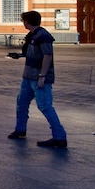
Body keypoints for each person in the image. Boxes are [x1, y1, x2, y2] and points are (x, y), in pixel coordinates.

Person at [7, 11, 67, 148]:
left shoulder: (43, 36)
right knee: (21, 103)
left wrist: (42, 76)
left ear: (27, 21)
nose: (23, 23)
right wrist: (19, 55)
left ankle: (60, 137)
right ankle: (20, 129)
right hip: (28, 76)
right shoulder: (32, 35)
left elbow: (47, 55)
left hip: (38, 77)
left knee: (45, 106)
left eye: (23, 20)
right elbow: (34, 53)